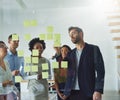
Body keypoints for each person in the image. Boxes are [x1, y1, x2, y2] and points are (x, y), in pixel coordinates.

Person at [61, 26, 105, 100]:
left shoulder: (93, 49)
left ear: (81, 34)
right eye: (70, 35)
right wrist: (66, 92)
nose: (71, 36)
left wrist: (98, 90)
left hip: (88, 91)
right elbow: (66, 73)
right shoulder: (70, 54)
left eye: (73, 33)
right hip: (72, 92)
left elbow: (100, 71)